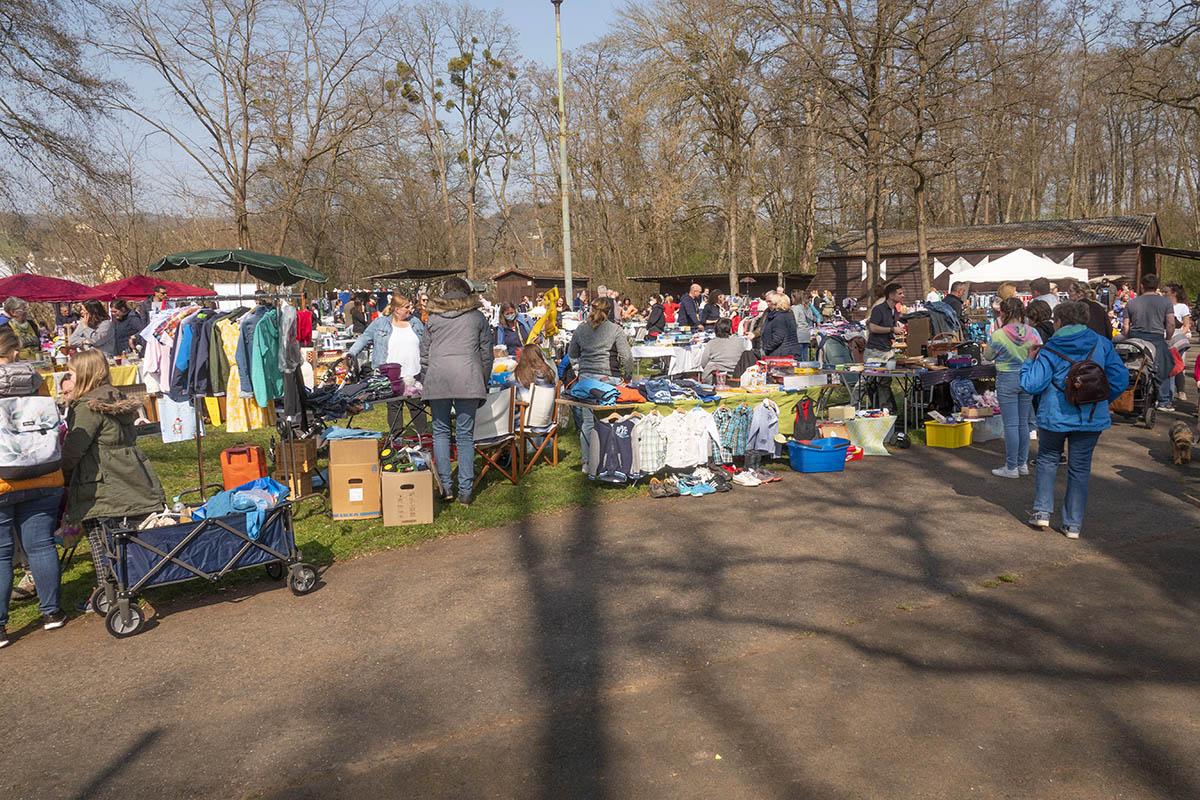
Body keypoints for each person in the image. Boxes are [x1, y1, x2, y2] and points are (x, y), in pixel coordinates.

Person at [61, 348, 166, 605]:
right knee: (121, 536)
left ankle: (108, 592)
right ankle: (128, 584)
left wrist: (60, 474)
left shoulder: (87, 407)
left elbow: (74, 448)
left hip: (99, 482)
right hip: (127, 475)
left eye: (72, 374)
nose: (68, 378)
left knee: (99, 540)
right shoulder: (115, 399)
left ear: (85, 374)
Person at [1021, 301, 1128, 539]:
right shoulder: (1102, 344)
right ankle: (1072, 525)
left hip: (1054, 415)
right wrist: (1100, 398)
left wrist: (1029, 360)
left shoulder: (1050, 348)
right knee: (1080, 469)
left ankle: (1042, 511)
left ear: (1058, 322)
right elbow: (1120, 378)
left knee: (1048, 460)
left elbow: (1032, 384)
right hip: (1091, 416)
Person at [0, 329, 66, 645]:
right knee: (41, 544)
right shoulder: (34, 377)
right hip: (43, 471)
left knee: (1, 555)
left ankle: (0, 627)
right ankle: (52, 613)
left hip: (2, 480)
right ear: (15, 350)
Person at [420, 278, 493, 506]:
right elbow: (486, 355)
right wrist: (483, 381)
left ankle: (445, 488)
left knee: (440, 433)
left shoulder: (433, 318)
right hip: (468, 378)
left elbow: (424, 356)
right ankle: (465, 491)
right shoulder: (476, 317)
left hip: (438, 378)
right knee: (464, 436)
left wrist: (426, 381)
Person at [346, 294, 427, 435]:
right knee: (394, 408)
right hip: (391, 376)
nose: (410, 309)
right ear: (396, 309)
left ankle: (425, 438)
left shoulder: (416, 322)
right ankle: (396, 439)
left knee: (417, 407)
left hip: (414, 373)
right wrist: (350, 353)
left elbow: (427, 342)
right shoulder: (380, 323)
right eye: (407, 307)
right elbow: (364, 338)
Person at [567, 296, 632, 471]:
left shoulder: (581, 329)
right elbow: (627, 356)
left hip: (586, 380)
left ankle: (588, 462)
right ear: (609, 312)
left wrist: (578, 370)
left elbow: (572, 353)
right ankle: (611, 459)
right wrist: (628, 376)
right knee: (613, 420)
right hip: (609, 378)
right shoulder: (616, 329)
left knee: (588, 422)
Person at [984, 297, 1041, 478]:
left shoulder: (998, 334)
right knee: (1024, 422)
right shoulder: (1033, 333)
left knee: (1010, 425)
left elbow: (988, 355)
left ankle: (1011, 467)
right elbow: (1040, 352)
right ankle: (1022, 464)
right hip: (1027, 377)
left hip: (1007, 378)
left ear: (1002, 313)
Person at [1122, 274, 1175, 410]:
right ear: (1157, 286)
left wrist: (1128, 339)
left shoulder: (1132, 303)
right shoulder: (1166, 303)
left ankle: (1131, 395)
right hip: (1156, 337)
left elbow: (1126, 326)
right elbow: (1170, 324)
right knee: (1164, 366)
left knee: (1133, 367)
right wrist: (1168, 339)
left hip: (1136, 338)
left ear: (1141, 286)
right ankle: (1163, 401)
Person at [865, 282, 904, 361]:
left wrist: (897, 330)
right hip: (875, 351)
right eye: (900, 293)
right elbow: (872, 328)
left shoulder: (895, 311)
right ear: (891, 295)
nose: (903, 296)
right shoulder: (879, 309)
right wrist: (892, 329)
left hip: (888, 350)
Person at [699, 318, 746, 383]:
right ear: (730, 329)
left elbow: (703, 363)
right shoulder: (741, 342)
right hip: (737, 376)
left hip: (715, 377)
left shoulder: (711, 343)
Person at [1166, 283, 1191, 402]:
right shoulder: (1164, 305)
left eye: (1166, 292)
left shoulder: (1182, 307)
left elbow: (1186, 324)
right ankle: (1167, 394)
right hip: (1165, 337)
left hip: (1178, 338)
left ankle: (1181, 390)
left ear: (1173, 293)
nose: (1163, 294)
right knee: (1168, 366)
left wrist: (1180, 334)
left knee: (1178, 365)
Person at [761, 291, 804, 358]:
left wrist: (765, 350)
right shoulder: (785, 315)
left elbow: (777, 338)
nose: (770, 304)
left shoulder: (780, 317)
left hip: (782, 354)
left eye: (772, 302)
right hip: (786, 352)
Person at [792, 289, 819, 360]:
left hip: (798, 333)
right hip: (806, 333)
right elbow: (812, 318)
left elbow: (795, 321)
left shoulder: (796, 308)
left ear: (795, 298)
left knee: (799, 356)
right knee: (805, 355)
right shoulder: (807, 308)